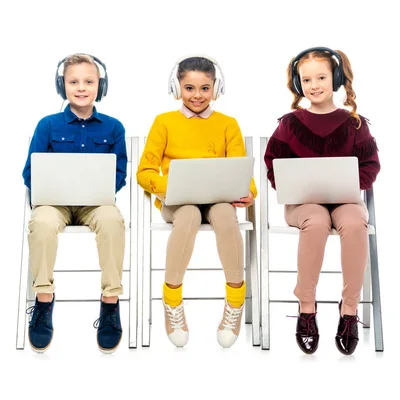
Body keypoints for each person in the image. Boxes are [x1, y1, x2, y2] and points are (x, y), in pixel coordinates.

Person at [264, 47, 380, 356]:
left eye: (321, 77)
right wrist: (289, 187)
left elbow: (370, 166)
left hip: (345, 201)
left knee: (355, 222)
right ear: (298, 83)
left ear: (336, 79)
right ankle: (306, 307)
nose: (314, 85)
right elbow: (273, 164)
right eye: (307, 79)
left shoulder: (354, 124)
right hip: (303, 204)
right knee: (316, 222)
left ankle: (350, 310)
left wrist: (349, 184)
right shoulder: (289, 124)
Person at [137, 55, 257, 348]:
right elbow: (145, 172)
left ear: (216, 88)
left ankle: (235, 303)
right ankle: (173, 301)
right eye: (189, 88)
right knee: (189, 214)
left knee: (226, 216)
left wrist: (249, 190)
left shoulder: (228, 124)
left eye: (205, 88)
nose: (197, 95)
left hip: (217, 198)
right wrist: (172, 185)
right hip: (178, 201)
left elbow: (241, 167)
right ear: (177, 87)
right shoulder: (163, 122)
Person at [22, 53, 127, 354]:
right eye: (73, 81)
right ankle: (43, 301)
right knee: (41, 223)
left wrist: (96, 187)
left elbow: (118, 175)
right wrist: (49, 187)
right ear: (62, 86)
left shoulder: (113, 127)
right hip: (54, 204)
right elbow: (29, 171)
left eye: (89, 81)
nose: (81, 88)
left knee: (112, 221)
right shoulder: (48, 125)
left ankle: (110, 303)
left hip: (95, 204)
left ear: (100, 86)